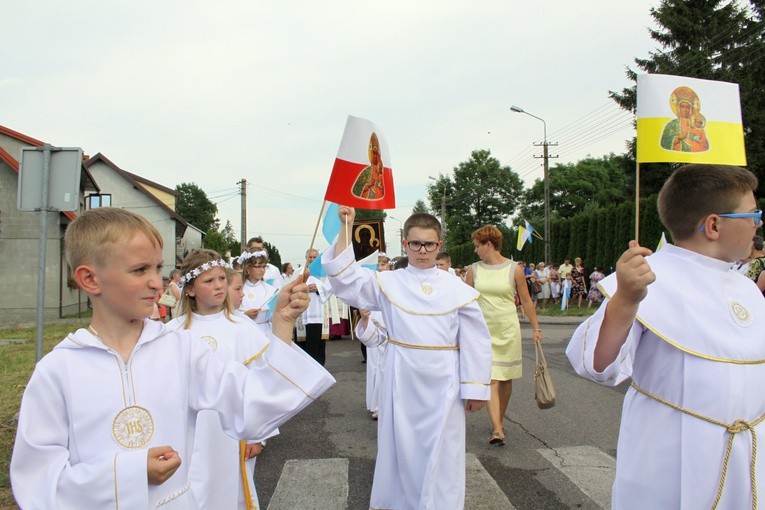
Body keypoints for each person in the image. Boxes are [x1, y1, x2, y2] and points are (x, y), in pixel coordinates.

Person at [10, 207, 335, 509]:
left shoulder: (180, 350)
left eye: (157, 268)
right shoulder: (58, 371)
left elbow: (249, 403)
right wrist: (131, 473)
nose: (156, 282)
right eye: (139, 270)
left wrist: (281, 326)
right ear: (90, 279)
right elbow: (38, 483)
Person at [566, 164, 765, 509]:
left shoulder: (747, 288)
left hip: (747, 457)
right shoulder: (647, 278)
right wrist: (626, 300)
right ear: (714, 225)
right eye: (751, 214)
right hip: (670, 462)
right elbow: (596, 366)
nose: (758, 223)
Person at [322, 208, 492, 510]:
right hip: (401, 378)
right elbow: (346, 280)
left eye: (429, 244)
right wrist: (346, 227)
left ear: (439, 245)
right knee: (402, 449)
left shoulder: (457, 288)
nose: (422, 251)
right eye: (416, 244)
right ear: (405, 244)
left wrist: (476, 388)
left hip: (446, 381)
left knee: (445, 452)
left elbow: (476, 339)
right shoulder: (388, 283)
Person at [166, 250, 281, 509]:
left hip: (231, 431)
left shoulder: (241, 328)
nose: (218, 286)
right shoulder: (173, 331)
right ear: (190, 290)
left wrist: (257, 434)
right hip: (187, 429)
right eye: (208, 281)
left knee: (232, 490)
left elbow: (258, 383)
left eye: (221, 279)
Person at [466, 225, 542, 446]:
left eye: (477, 246)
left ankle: (497, 420)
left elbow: (526, 300)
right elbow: (465, 299)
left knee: (506, 378)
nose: (475, 251)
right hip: (483, 331)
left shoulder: (514, 269)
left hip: (507, 329)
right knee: (490, 377)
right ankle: (497, 429)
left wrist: (536, 328)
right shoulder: (473, 270)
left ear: (488, 245)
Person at [298, 248, 334, 365]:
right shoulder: (300, 273)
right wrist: (304, 288)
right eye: (310, 257)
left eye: (315, 257)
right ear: (306, 259)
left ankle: (320, 369)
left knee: (318, 345)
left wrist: (319, 288)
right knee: (304, 345)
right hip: (302, 314)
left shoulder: (324, 273)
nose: (312, 260)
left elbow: (330, 287)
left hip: (318, 313)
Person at [238, 250, 278, 335]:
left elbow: (273, 315)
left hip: (265, 331)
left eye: (264, 267)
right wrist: (245, 314)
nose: (262, 270)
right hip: (244, 330)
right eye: (258, 266)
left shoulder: (270, 290)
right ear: (248, 268)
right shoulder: (238, 288)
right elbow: (230, 311)